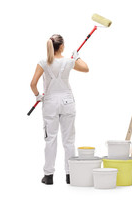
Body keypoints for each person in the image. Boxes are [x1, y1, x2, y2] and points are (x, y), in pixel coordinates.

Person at [30, 34, 89, 185]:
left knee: (51, 139)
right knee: (68, 140)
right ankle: (70, 175)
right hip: (67, 101)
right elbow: (86, 68)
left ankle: (48, 176)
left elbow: (33, 84)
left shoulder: (43, 62)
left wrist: (37, 96)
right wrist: (77, 57)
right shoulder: (69, 62)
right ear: (61, 46)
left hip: (50, 103)